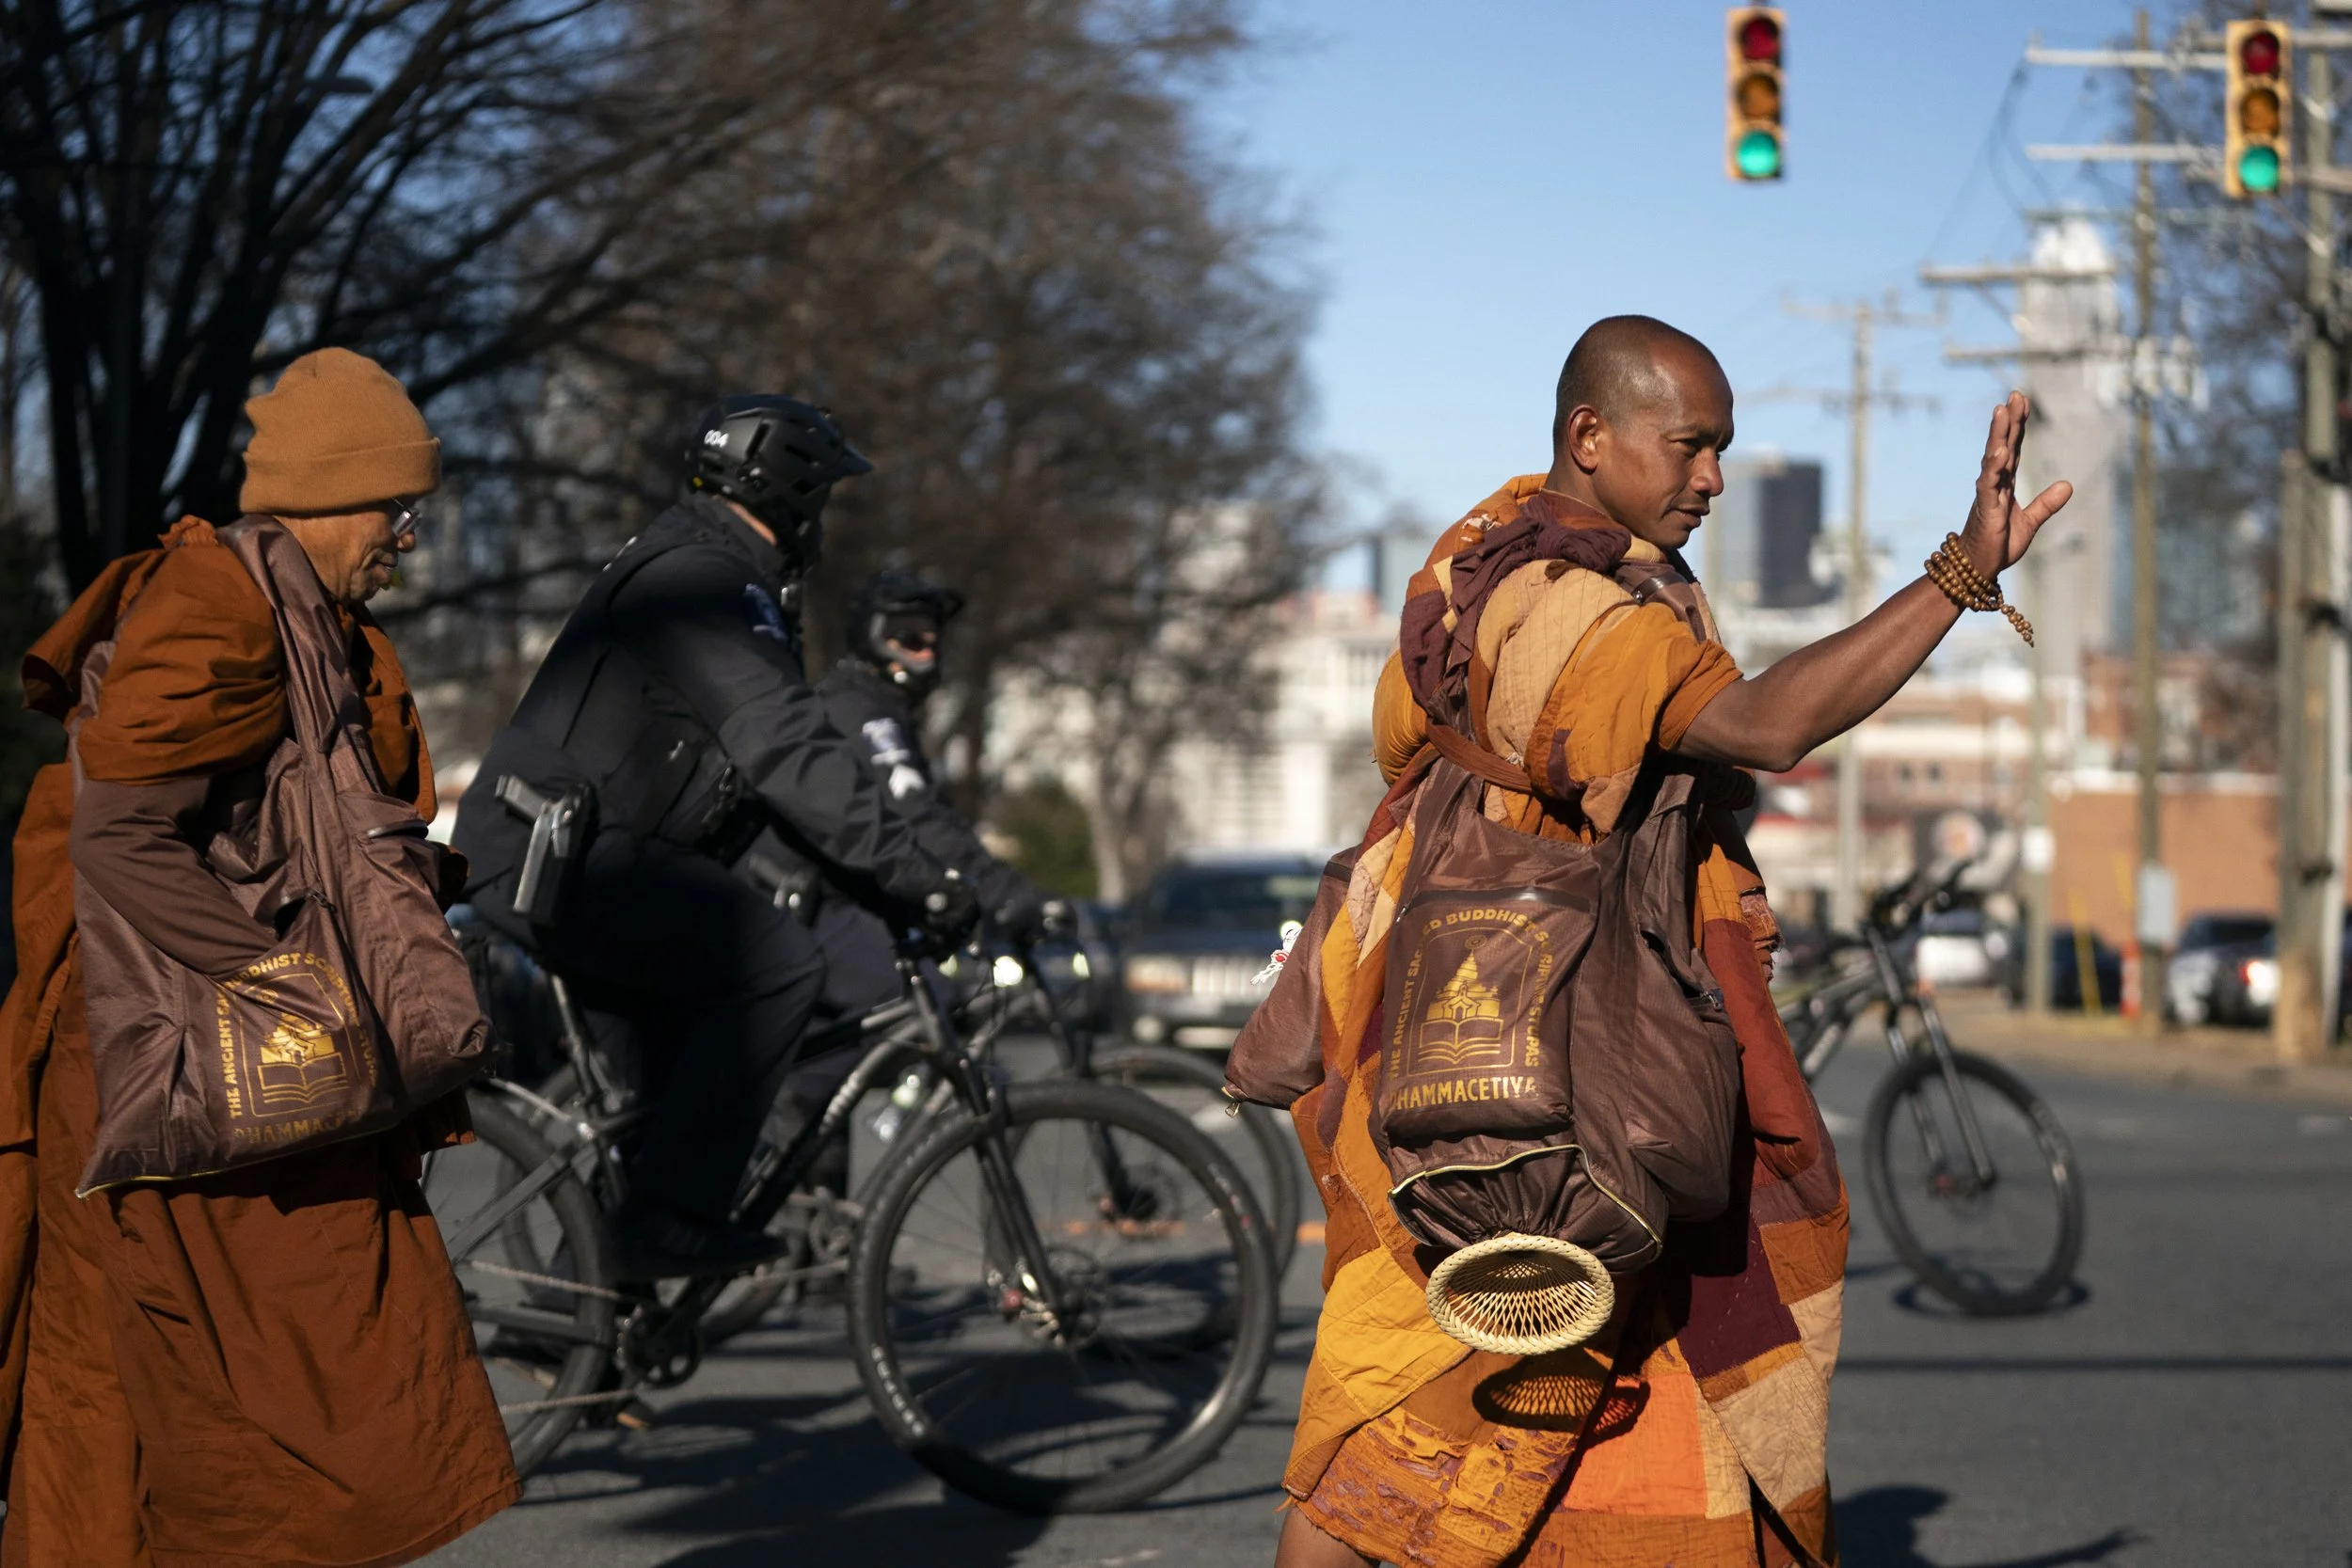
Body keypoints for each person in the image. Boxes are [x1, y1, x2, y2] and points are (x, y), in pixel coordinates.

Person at [1249, 316, 2070, 1568]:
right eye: (1690, 445)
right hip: (1557, 1062)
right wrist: (1958, 572)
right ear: (1591, 435)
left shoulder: (1479, 565)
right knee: (1424, 1385)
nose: (1714, 478)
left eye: (1723, 449)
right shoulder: (1588, 616)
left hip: (1423, 1026)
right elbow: (1768, 723)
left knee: (1413, 1361)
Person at [0, 348, 519, 1564]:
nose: (408, 536)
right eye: (399, 508)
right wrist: (286, 990)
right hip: (181, 1073)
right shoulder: (219, 603)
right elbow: (121, 832)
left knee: (123, 1408)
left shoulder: (305, 612)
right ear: (335, 496)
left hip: (160, 1075)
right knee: (315, 1412)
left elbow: (286, 826)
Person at [453, 397, 978, 1279]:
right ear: (789, 488)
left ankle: (581, 1324)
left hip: (576, 850)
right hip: (557, 856)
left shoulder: (713, 574)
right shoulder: (701, 580)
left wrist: (894, 885)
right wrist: (922, 876)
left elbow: (755, 783)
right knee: (776, 963)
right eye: (821, 499)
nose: (821, 522)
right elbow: (788, 750)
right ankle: (672, 1223)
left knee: (663, 1104)